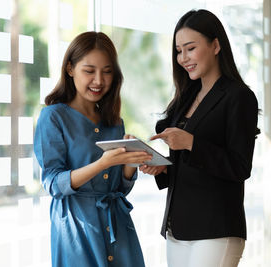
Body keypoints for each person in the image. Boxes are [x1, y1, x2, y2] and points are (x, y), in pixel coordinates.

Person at [139, 9, 260, 267]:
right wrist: (162, 167)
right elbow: (188, 166)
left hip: (216, 229)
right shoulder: (185, 98)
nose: (183, 58)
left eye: (190, 48)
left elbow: (240, 167)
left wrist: (191, 143)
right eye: (179, 51)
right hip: (178, 227)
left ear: (216, 45)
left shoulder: (239, 97)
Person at [34, 31, 151, 267]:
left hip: (118, 228)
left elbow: (118, 189)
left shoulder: (115, 122)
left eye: (107, 72)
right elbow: (53, 184)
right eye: (89, 71)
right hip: (77, 231)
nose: (99, 80)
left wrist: (130, 164)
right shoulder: (53, 117)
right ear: (70, 69)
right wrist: (103, 163)